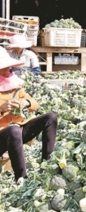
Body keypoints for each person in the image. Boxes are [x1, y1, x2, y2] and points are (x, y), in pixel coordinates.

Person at [0, 46, 57, 183]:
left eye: (8, 67)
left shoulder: (15, 86)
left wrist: (25, 102)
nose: (8, 70)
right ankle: (21, 178)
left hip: (18, 131)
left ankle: (46, 165)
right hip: (3, 136)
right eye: (4, 68)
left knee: (51, 117)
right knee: (13, 130)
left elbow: (34, 104)